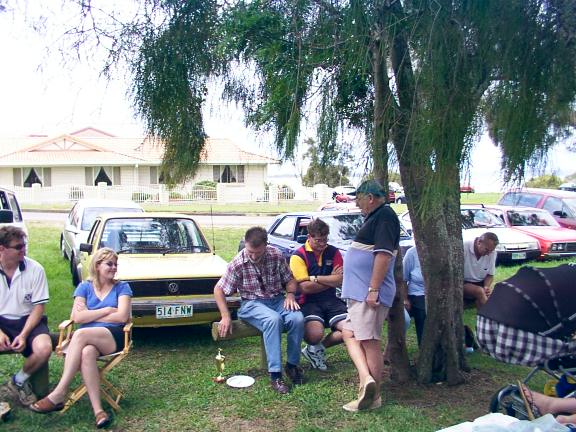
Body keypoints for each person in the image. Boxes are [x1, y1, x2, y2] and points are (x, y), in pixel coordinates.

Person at [30, 248, 132, 429]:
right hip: (86, 341)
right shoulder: (84, 287)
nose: (114, 268)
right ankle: (99, 411)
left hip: (112, 337)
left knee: (80, 333)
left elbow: (122, 317)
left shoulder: (122, 287)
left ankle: (60, 392)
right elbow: (76, 318)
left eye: (116, 264)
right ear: (97, 265)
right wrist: (107, 310)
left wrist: (90, 315)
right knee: (86, 352)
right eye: (110, 263)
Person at [214, 227, 305, 394]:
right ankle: (275, 375)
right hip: (251, 303)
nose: (253, 256)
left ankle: (292, 366)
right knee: (273, 320)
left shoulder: (276, 255)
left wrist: (290, 295)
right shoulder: (238, 263)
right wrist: (225, 316)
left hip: (277, 300)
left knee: (298, 319)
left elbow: (290, 280)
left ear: (266, 245)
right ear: (245, 244)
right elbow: (219, 290)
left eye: (258, 252)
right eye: (250, 251)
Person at [340, 180, 400, 412]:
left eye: (359, 198)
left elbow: (383, 255)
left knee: (369, 341)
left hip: (369, 293)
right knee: (348, 332)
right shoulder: (377, 216)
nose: (357, 202)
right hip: (359, 293)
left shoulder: (384, 216)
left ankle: (373, 398)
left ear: (371, 198)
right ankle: (367, 380)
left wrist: (373, 289)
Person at [0, 226, 52, 407]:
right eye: (18, 247)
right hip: (1, 321)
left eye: (24, 245)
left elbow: (38, 307)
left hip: (29, 319)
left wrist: (23, 334)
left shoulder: (35, 269)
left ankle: (18, 381)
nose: (24, 249)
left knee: (44, 347)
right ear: (2, 249)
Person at [289, 218, 346, 371]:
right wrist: (330, 280)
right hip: (308, 302)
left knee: (351, 330)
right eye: (318, 240)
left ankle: (316, 350)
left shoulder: (334, 252)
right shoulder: (298, 256)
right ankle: (313, 345)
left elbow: (340, 279)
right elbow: (305, 288)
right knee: (314, 335)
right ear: (309, 237)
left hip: (331, 300)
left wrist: (315, 278)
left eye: (325, 240)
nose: (323, 244)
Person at [463, 232, 499, 308]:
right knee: (479, 291)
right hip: (464, 283)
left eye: (491, 251)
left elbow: (490, 275)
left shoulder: (492, 253)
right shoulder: (464, 246)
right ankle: (491, 315)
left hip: (481, 283)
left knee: (487, 293)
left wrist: (486, 286)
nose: (489, 254)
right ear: (479, 242)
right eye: (487, 250)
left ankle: (483, 313)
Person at [402, 246, 426, 347]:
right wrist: (405, 299)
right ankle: (423, 346)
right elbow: (403, 279)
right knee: (422, 312)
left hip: (435, 292)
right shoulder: (412, 253)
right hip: (417, 292)